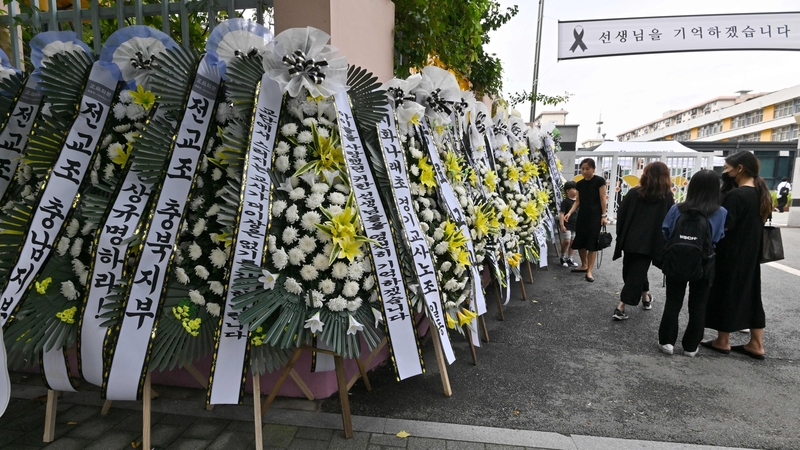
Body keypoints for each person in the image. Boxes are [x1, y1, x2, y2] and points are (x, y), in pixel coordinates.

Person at [702, 151, 773, 360]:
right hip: (752, 254)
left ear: (739, 169)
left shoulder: (736, 195)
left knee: (726, 292)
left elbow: (723, 226)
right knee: (752, 295)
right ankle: (756, 343)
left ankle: (722, 340)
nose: (725, 172)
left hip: (730, 253)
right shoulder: (762, 193)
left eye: (726, 168)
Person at [658, 170, 727, 356]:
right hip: (704, 263)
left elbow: (666, 232)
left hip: (677, 260)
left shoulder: (677, 208)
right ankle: (691, 346)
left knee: (673, 301)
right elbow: (718, 237)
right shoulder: (720, 212)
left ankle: (667, 342)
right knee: (698, 305)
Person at [611, 162, 674, 321]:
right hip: (652, 242)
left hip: (631, 240)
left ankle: (621, 306)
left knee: (632, 271)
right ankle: (645, 298)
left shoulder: (634, 193)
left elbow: (621, 215)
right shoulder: (666, 196)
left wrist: (621, 235)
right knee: (638, 271)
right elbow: (670, 219)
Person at [565, 158, 607, 282]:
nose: (584, 171)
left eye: (587, 169)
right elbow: (578, 201)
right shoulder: (580, 183)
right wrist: (570, 212)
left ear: (593, 169)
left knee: (592, 243)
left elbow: (602, 199)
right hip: (582, 215)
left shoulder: (600, 181)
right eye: (582, 169)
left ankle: (589, 271)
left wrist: (603, 216)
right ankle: (584, 264)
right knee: (580, 241)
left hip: (595, 216)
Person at [559, 181, 579, 267]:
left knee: (573, 242)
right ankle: (562, 257)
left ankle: (570, 258)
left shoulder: (578, 201)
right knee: (567, 241)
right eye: (574, 189)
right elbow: (562, 214)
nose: (576, 190)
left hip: (575, 225)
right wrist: (562, 225)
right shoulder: (565, 202)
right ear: (568, 191)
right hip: (567, 225)